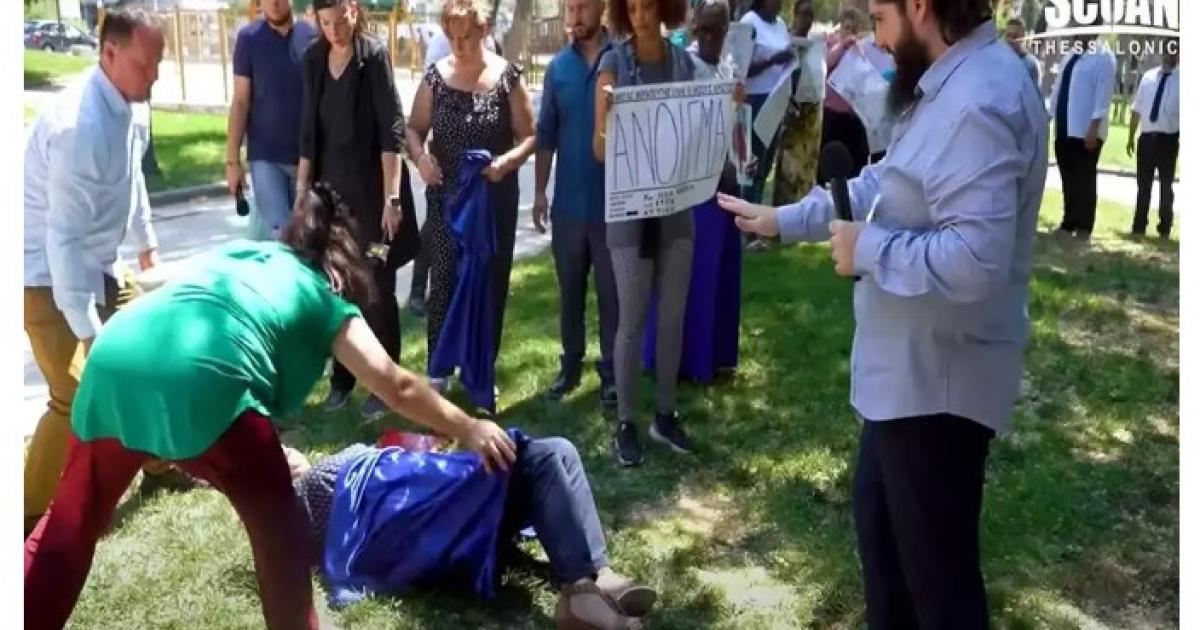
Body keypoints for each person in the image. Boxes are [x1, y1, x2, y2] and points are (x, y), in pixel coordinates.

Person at [24, 184, 520, 630]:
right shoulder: (324, 296)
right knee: (282, 533)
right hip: (203, 384)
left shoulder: (245, 253)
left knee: (68, 526)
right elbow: (396, 386)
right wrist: (469, 427)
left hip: (116, 356)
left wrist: (256, 453)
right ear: (342, 264)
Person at [719, 0, 1048, 625]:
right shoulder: (952, 81)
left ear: (919, 6)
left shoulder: (979, 101)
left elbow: (977, 260)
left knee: (938, 594)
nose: (880, 39)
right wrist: (785, 219)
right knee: (890, 565)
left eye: (879, 18)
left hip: (938, 393)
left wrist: (870, 248)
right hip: (908, 384)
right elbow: (885, 182)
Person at [22, 7, 173, 536]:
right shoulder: (77, 127)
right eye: (145, 63)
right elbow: (62, 243)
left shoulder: (132, 104)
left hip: (102, 263)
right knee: (76, 393)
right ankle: (26, 514)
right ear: (109, 53)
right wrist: (90, 333)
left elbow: (131, 177)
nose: (154, 75)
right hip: (42, 273)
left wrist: (145, 241)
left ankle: (159, 466)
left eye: (159, 62)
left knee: (153, 357)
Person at [287, 436, 656, 629]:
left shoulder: (330, 472)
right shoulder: (312, 485)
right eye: (280, 453)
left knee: (558, 451)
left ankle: (599, 575)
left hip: (434, 500)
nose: (287, 453)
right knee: (544, 458)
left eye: (285, 448)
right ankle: (581, 593)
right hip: (430, 512)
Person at [406, 0, 536, 396]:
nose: (459, 45)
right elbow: (413, 129)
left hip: (492, 198)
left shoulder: (507, 77)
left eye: (466, 36)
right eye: (452, 37)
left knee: (488, 283)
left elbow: (530, 136)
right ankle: (439, 369)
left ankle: (480, 370)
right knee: (444, 278)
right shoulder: (435, 78)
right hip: (447, 195)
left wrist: (506, 163)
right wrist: (421, 159)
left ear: (485, 30)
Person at [298, 0, 421, 418]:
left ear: (354, 9)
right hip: (332, 198)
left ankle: (385, 383)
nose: (334, 31)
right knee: (336, 287)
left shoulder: (373, 57)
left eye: (340, 20)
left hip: (374, 198)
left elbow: (392, 132)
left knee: (376, 288)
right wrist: (302, 191)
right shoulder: (313, 60)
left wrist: (392, 199)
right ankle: (343, 378)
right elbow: (307, 132)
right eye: (325, 23)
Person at [593, 0, 697, 465]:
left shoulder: (684, 63)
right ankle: (626, 423)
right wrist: (610, 116)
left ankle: (666, 415)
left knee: (672, 318)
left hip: (676, 210)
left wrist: (727, 105)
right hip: (629, 214)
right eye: (631, 7)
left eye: (647, 4)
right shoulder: (613, 64)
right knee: (632, 321)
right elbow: (599, 150)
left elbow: (700, 124)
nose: (639, 15)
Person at [641, 0, 742, 385]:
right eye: (704, 29)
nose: (709, 37)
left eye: (718, 29)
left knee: (717, 273)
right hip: (691, 191)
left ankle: (714, 356)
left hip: (725, 188)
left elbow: (731, 126)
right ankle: (683, 362)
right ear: (694, 28)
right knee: (688, 276)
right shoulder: (684, 68)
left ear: (728, 30)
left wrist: (738, 158)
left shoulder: (727, 68)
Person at [533, 0, 618, 406]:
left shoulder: (622, 59)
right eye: (569, 9)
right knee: (570, 293)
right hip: (568, 206)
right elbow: (545, 135)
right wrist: (539, 192)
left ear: (600, 8)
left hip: (613, 204)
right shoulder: (558, 69)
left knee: (612, 295)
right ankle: (570, 366)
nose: (574, 17)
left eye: (582, 8)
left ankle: (612, 373)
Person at [226, 0, 318, 240]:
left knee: (306, 240)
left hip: (307, 159)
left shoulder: (313, 37)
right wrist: (232, 161)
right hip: (265, 158)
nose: (275, 3)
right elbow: (240, 101)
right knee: (282, 237)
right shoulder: (248, 39)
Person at [1047, 24, 1116, 242]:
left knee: (1084, 178)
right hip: (1065, 126)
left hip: (1085, 129)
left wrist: (1094, 128)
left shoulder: (1104, 57)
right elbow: (1058, 88)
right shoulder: (1071, 55)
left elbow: (1103, 97)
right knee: (1068, 177)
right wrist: (1048, 116)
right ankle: (1069, 222)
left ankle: (1084, 227)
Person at [739, 0, 793, 252]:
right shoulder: (749, 23)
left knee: (765, 166)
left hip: (776, 98)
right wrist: (772, 60)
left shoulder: (780, 24)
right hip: (755, 100)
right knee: (752, 165)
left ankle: (757, 225)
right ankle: (746, 228)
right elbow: (740, 68)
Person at [771, 0, 821, 206]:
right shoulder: (784, 41)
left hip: (809, 116)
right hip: (788, 113)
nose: (807, 20)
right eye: (804, 15)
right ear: (795, 15)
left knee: (804, 169)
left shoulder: (815, 46)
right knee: (787, 169)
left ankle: (803, 210)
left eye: (811, 16)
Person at [1127, 42, 1179, 239]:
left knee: (1166, 185)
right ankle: (1139, 224)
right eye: (1167, 51)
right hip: (1147, 138)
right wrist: (1131, 137)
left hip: (1168, 140)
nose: (1169, 56)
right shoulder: (1148, 77)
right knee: (1143, 185)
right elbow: (1137, 109)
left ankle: (1164, 226)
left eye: (1174, 52)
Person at [821, 7, 871, 183]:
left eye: (854, 29)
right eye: (847, 27)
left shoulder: (861, 49)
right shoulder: (830, 44)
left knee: (855, 166)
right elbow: (825, 65)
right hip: (831, 114)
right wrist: (843, 45)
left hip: (853, 116)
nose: (850, 32)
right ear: (840, 27)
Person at [1004, 17, 1041, 89]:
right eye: (1009, 35)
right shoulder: (999, 62)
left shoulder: (1030, 65)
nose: (1011, 40)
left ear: (1023, 38)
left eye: (1015, 36)